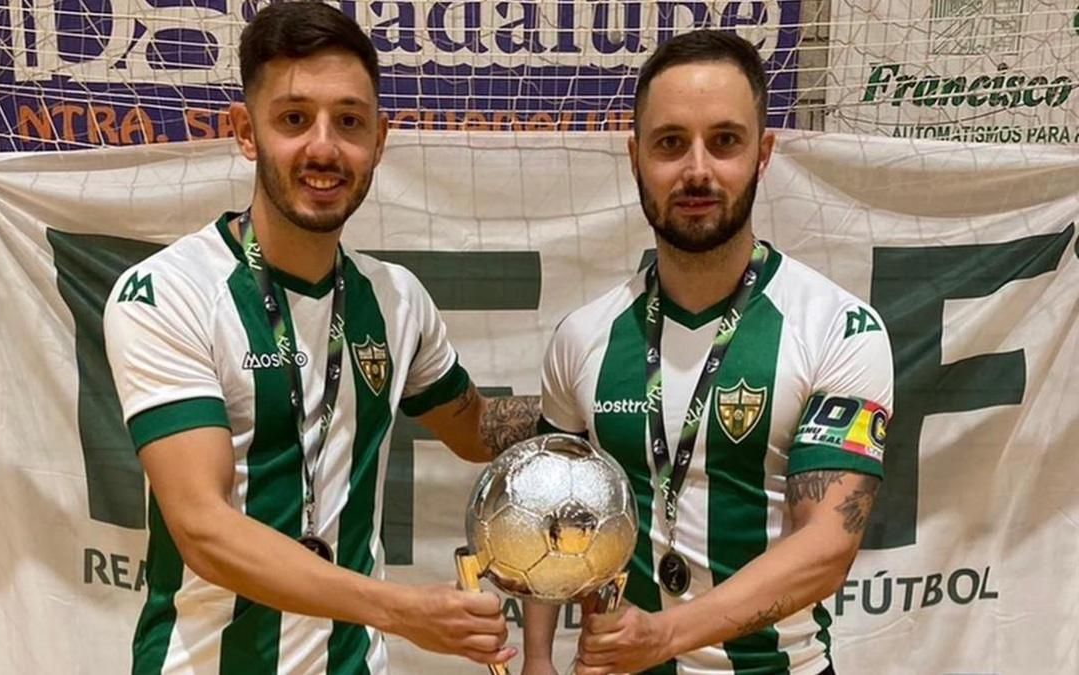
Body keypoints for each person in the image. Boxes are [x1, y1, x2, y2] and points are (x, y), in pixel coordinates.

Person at [103, 3, 539, 673]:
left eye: (349, 121)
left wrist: (573, 404)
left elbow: (474, 429)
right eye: (294, 119)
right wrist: (400, 609)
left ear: (379, 139)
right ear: (246, 132)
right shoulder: (168, 291)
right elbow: (203, 529)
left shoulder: (397, 300)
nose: (324, 148)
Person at [522, 30, 894, 675]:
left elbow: (826, 547)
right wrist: (536, 660)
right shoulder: (583, 335)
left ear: (763, 153)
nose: (697, 170)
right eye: (670, 143)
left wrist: (665, 636)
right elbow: (550, 512)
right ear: (636, 158)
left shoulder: (840, 326)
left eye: (725, 141)